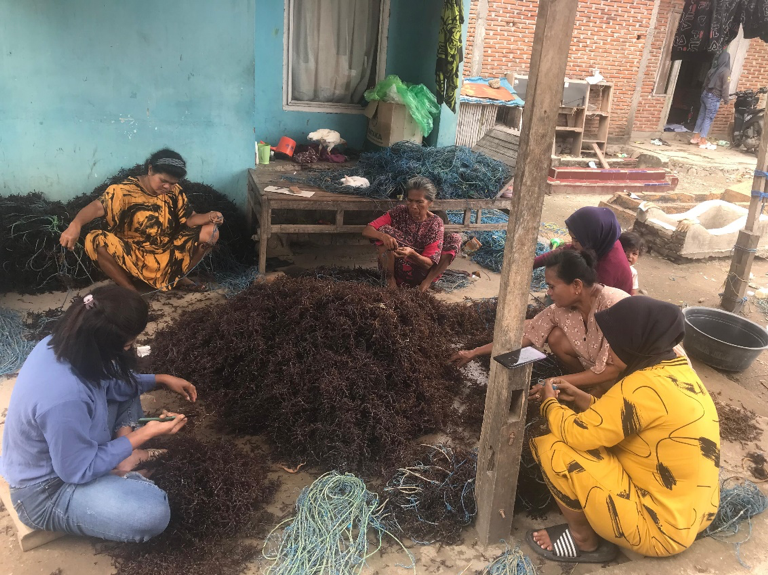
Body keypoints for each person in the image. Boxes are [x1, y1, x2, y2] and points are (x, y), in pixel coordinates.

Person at [526, 296, 720, 563]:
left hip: (658, 531)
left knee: (553, 446)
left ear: (633, 344)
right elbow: (622, 419)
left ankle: (583, 540)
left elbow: (577, 434)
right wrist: (582, 398)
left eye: (612, 344)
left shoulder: (640, 387)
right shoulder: (677, 373)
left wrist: (550, 404)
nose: (608, 353)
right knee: (601, 440)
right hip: (693, 516)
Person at [0, 285, 198, 543]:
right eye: (128, 344)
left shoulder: (62, 343)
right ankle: (123, 467)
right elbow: (76, 470)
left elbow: (110, 383)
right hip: (49, 490)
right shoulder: (64, 397)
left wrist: (159, 379)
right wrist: (143, 434)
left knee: (127, 385)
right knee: (151, 514)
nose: (129, 349)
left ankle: (124, 459)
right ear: (103, 344)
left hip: (68, 447)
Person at [451, 249, 628, 390]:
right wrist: (474, 352)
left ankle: (596, 390)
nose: (549, 293)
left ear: (576, 285)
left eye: (552, 286)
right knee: (555, 336)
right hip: (597, 371)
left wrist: (554, 382)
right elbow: (527, 335)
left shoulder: (613, 305)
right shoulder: (560, 309)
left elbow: (613, 369)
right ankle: (589, 385)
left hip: (628, 380)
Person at [59, 149, 223, 292]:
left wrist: (210, 216)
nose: (167, 187)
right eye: (163, 181)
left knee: (210, 231)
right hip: (134, 256)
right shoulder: (124, 191)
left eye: (173, 183)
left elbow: (190, 219)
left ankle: (177, 277)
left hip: (168, 254)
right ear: (150, 170)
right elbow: (96, 207)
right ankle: (130, 290)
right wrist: (76, 224)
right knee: (95, 239)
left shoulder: (174, 192)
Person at [362, 176, 463, 291]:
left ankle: (426, 283)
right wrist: (383, 236)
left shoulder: (435, 223)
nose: (413, 206)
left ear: (430, 202)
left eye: (419, 202)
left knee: (455, 238)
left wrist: (412, 254)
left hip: (421, 272)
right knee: (384, 231)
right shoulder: (399, 212)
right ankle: (390, 281)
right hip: (398, 268)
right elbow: (367, 230)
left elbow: (428, 263)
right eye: (410, 201)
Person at [535, 207, 632, 294]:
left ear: (593, 237)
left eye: (576, 240)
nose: (573, 243)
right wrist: (533, 263)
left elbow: (592, 300)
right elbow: (564, 251)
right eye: (572, 238)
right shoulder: (603, 241)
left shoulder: (607, 270)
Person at [690, 52, 731, 150]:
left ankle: (695, 137)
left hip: (705, 94)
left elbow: (705, 84)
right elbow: (726, 86)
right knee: (708, 118)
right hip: (714, 97)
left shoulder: (712, 70)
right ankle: (702, 140)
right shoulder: (726, 72)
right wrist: (726, 99)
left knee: (701, 116)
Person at [619, 231, 646, 295]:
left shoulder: (633, 273)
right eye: (625, 251)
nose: (630, 256)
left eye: (634, 253)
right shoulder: (611, 265)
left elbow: (632, 293)